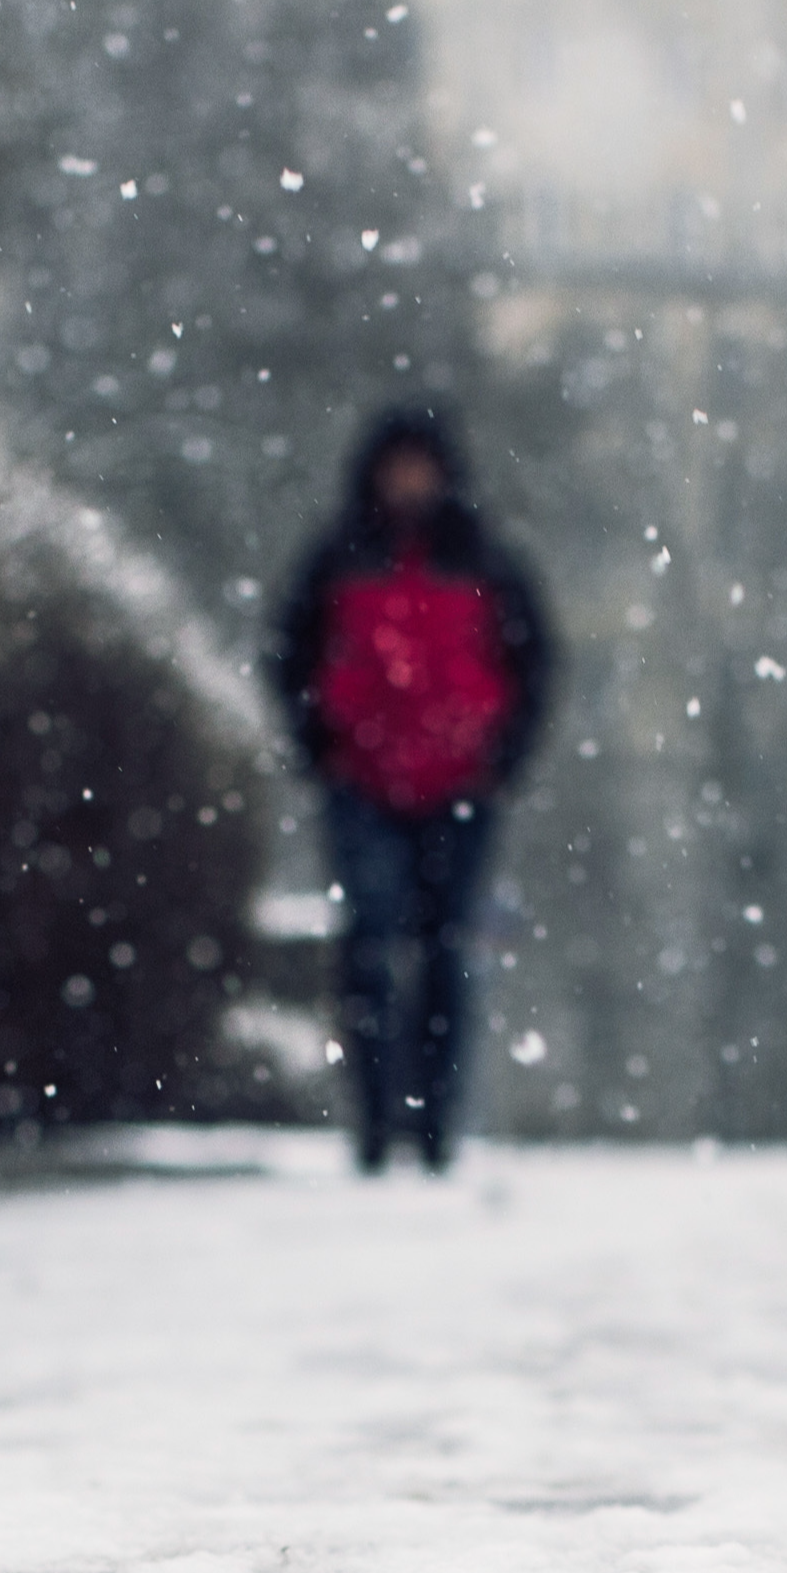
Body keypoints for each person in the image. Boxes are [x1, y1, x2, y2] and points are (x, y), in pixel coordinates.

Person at [273, 402, 550, 1173]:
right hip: (360, 780)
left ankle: (433, 1130)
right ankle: (372, 1124)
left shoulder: (487, 561)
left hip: (461, 784)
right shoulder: (337, 556)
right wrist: (321, 747)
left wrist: (501, 759)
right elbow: (291, 653)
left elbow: (533, 666)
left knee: (443, 955)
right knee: (368, 948)